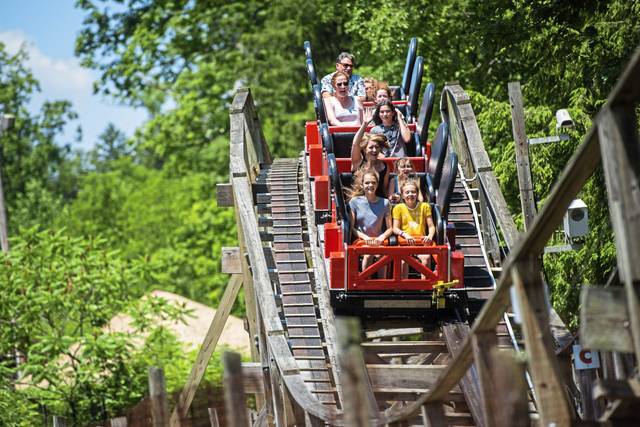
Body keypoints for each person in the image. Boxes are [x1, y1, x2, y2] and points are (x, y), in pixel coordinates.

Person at [347, 169, 393, 274]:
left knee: (382, 255)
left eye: (373, 182)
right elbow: (352, 227)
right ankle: (365, 283)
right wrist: (365, 237)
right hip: (362, 240)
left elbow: (390, 228)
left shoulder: (385, 203)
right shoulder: (354, 202)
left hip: (379, 240)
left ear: (377, 185)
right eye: (367, 183)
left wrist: (381, 237)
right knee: (369, 254)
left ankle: (382, 286)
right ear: (362, 185)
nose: (370, 185)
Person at [392, 179, 436, 278]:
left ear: (417, 193)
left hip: (420, 242)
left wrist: (429, 236)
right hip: (405, 242)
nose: (410, 194)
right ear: (403, 195)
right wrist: (405, 235)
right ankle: (404, 289)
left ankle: (425, 287)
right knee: (403, 261)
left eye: (413, 192)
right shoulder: (398, 208)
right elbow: (395, 228)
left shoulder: (425, 206)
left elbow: (431, 226)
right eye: (407, 192)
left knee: (426, 258)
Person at [351, 125, 390, 198]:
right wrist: (364, 124)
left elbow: (384, 189)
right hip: (360, 201)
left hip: (379, 202)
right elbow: (355, 144)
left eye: (377, 147)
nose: (374, 150)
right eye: (371, 148)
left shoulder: (384, 166)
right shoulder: (358, 162)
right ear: (364, 149)